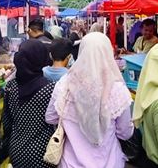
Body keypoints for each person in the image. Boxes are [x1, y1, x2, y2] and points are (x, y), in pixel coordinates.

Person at [45, 32, 133, 168]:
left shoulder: (65, 85)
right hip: (108, 161)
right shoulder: (117, 90)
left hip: (70, 163)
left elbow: (50, 117)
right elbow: (124, 133)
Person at [0, 40, 55, 168]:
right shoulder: (50, 89)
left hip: (16, 150)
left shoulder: (10, 87)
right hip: (42, 152)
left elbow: (7, 121)